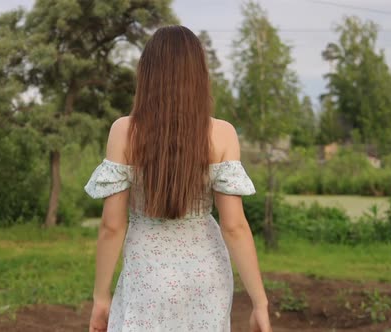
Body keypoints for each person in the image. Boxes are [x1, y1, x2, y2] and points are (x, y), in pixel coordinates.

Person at [84, 25, 271, 332]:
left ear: (147, 74)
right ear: (199, 75)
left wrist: (100, 298)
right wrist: (259, 302)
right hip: (206, 277)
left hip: (147, 277)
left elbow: (112, 225)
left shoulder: (124, 132)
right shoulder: (223, 134)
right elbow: (235, 227)